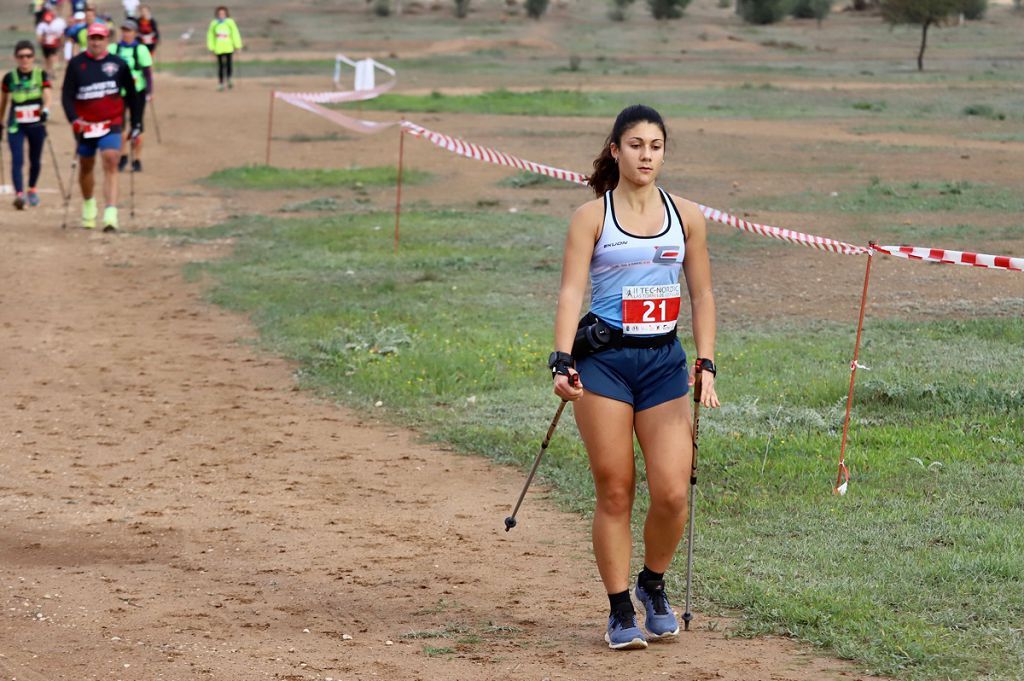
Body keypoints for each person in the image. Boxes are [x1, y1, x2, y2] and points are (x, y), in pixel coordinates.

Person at [550, 104, 720, 650]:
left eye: (656, 146)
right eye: (636, 145)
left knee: (672, 492)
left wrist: (707, 361)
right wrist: (561, 359)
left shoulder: (687, 215)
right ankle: (620, 609)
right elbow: (571, 292)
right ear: (616, 150)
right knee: (616, 489)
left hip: (664, 364)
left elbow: (703, 293)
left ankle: (653, 583)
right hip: (604, 364)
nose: (647, 155)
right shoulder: (591, 217)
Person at [61, 21, 140, 231]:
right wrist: (74, 119)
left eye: (100, 38)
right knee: (86, 166)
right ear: (88, 40)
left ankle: (111, 214)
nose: (96, 42)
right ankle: (89, 204)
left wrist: (136, 121)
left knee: (111, 159)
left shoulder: (119, 64)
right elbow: (67, 96)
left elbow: (132, 95)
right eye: (93, 38)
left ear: (107, 40)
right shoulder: (76, 64)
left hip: (111, 121)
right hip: (85, 125)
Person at [1, 41, 52, 210]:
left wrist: (46, 109)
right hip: (16, 123)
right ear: (16, 58)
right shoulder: (9, 77)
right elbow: (3, 101)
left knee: (34, 159)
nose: (25, 59)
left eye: (28, 56)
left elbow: (47, 95)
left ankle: (31, 189)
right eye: (21, 56)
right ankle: (19, 195)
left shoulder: (40, 74)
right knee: (17, 159)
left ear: (33, 57)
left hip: (36, 123)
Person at [113, 18, 151, 173]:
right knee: (119, 126)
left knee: (137, 126)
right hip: (118, 93)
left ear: (135, 33)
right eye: (124, 30)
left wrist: (150, 92)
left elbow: (147, 73)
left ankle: (137, 159)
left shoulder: (141, 49)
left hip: (137, 92)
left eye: (128, 31)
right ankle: (123, 156)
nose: (125, 33)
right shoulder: (114, 48)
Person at [206, 6, 242, 92]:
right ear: (217, 14)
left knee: (229, 64)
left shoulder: (230, 22)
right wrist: (211, 47)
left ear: (226, 14)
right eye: (220, 13)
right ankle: (221, 83)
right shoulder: (214, 23)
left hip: (228, 45)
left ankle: (229, 79)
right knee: (220, 65)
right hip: (218, 46)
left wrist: (237, 45)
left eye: (223, 13)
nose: (221, 15)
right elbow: (210, 35)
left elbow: (235, 33)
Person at [36, 10, 67, 74]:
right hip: (45, 45)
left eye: (49, 21)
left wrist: (61, 43)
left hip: (54, 45)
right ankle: (48, 71)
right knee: (46, 58)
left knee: (52, 57)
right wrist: (42, 40)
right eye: (47, 21)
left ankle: (52, 71)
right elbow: (39, 37)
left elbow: (61, 35)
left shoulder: (57, 24)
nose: (48, 22)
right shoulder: (42, 25)